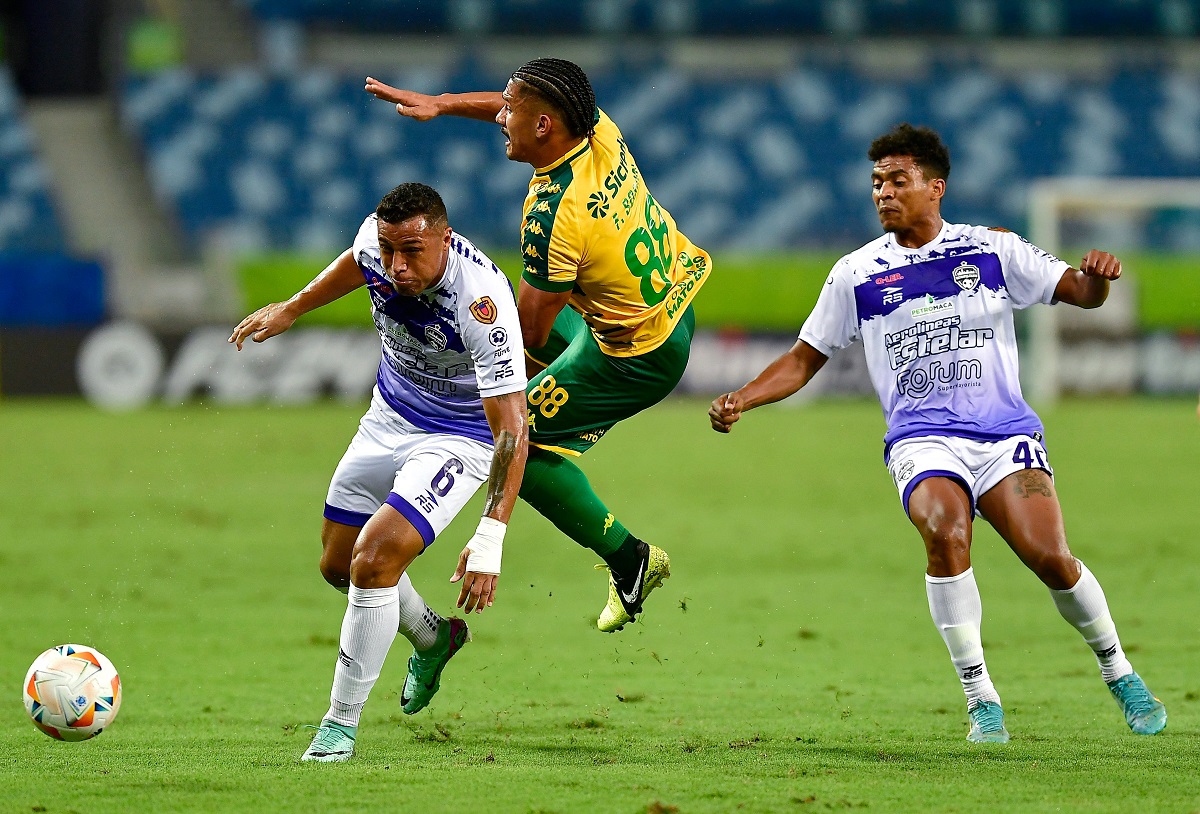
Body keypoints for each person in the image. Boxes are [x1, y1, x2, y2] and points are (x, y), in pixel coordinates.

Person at [708, 124, 1167, 743]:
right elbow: (803, 358)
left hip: (1003, 436)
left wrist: (1101, 275)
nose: (884, 193)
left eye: (898, 181)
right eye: (876, 183)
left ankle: (1118, 671)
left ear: (935, 187)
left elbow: (1081, 294)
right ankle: (982, 700)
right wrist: (744, 397)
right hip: (921, 439)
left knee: (1052, 560)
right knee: (944, 531)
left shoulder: (993, 250)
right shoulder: (857, 273)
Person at [364, 58, 712, 632]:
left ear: (545, 125)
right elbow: (519, 107)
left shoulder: (552, 216)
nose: (501, 115)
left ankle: (631, 559)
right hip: (676, 300)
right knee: (519, 372)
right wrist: (445, 101)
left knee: (520, 442)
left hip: (635, 356)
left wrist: (483, 385)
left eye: (511, 109)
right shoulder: (597, 127)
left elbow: (528, 335)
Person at [229, 183, 528, 762]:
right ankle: (433, 637)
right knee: (337, 566)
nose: (397, 266)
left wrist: (490, 536)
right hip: (387, 415)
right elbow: (356, 264)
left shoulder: (482, 301)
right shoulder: (378, 242)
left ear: (444, 237)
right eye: (390, 250)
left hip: (458, 438)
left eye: (412, 252)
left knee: (374, 560)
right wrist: (293, 307)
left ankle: (339, 727)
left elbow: (513, 429)